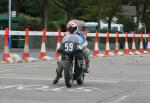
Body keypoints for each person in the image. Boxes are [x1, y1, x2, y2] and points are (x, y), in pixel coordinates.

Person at [53, 19, 91, 84]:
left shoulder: (81, 34)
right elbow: (63, 42)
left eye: (73, 28)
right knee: (59, 61)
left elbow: (85, 42)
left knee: (87, 51)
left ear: (76, 28)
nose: (71, 30)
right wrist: (61, 47)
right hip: (68, 50)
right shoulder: (66, 34)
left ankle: (86, 67)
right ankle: (58, 75)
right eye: (69, 28)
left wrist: (82, 45)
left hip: (78, 48)